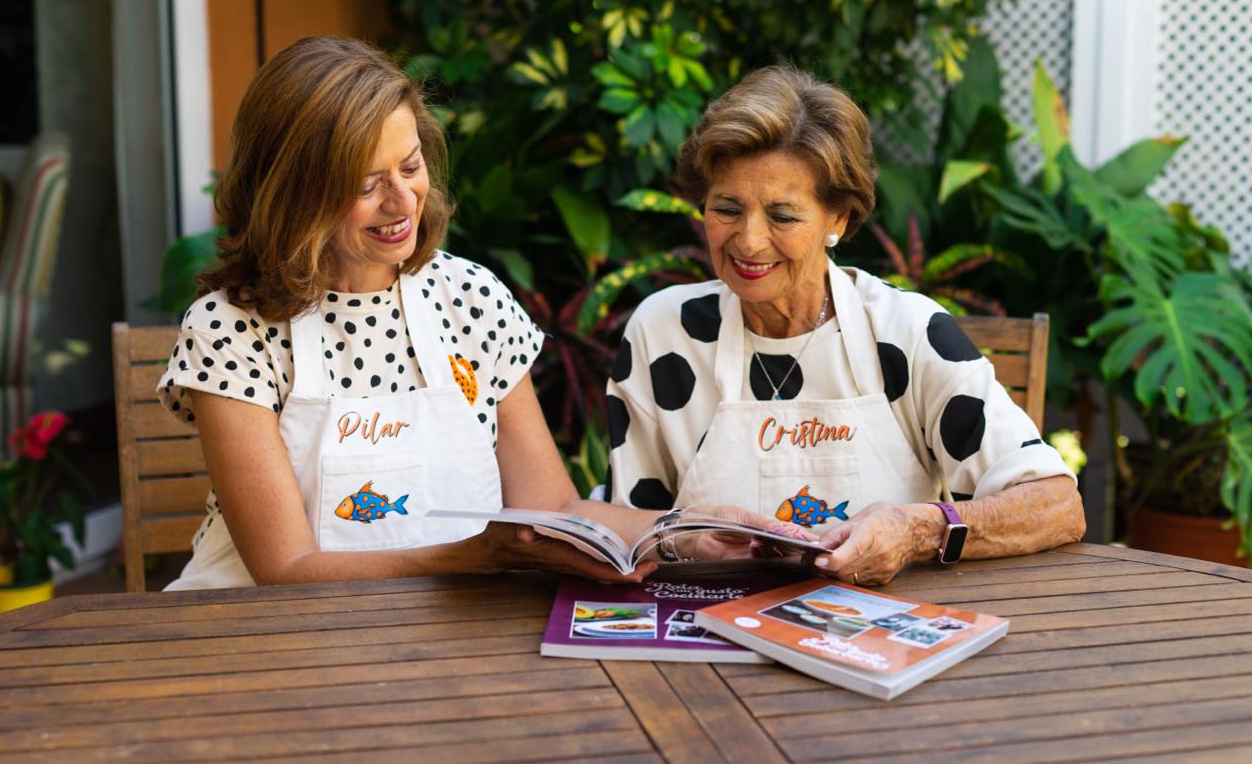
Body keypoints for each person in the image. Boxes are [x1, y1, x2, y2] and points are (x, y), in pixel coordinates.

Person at [157, 37, 808, 590]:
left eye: (410, 165)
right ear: (294, 193)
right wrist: (466, 559)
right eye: (365, 184)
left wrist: (689, 533)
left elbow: (551, 506)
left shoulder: (469, 298)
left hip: (445, 644)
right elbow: (286, 569)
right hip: (263, 644)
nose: (402, 201)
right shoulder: (232, 330)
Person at [607, 65, 1085, 586]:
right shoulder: (664, 333)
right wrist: (678, 537)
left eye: (782, 216)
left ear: (839, 218)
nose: (749, 240)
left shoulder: (907, 333)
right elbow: (622, 530)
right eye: (727, 209)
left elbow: (1057, 505)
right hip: (707, 621)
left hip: (882, 626)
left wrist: (919, 530)